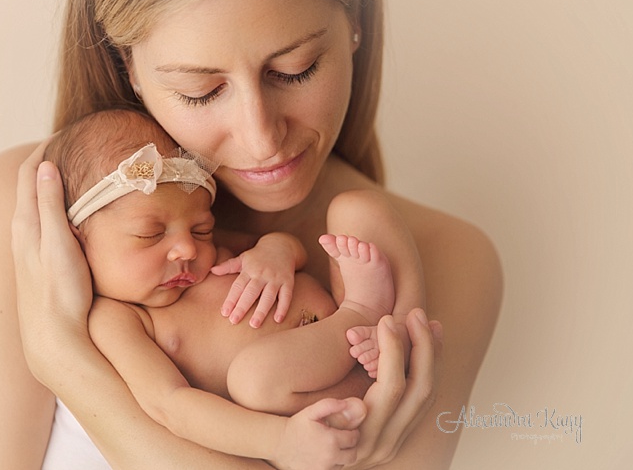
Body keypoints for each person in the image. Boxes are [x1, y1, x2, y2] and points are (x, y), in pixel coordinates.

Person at [0, 0, 502, 468]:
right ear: (127, 65)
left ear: (355, 20)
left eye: (294, 69)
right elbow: (167, 402)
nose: (261, 140)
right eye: (200, 91)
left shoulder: (447, 257)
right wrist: (55, 351)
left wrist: (62, 356)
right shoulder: (34, 208)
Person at [42, 107, 395, 469]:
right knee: (252, 381)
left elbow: (283, 246)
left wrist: (275, 251)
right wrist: (280, 441)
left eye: (201, 229)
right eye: (151, 234)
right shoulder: (117, 318)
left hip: (334, 340)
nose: (187, 248)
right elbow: (170, 403)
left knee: (361, 212)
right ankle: (364, 312)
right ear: (77, 242)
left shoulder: (206, 258)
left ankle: (368, 324)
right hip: (303, 395)